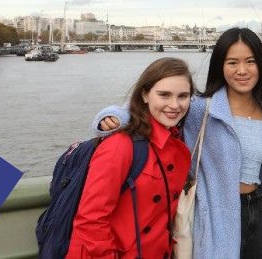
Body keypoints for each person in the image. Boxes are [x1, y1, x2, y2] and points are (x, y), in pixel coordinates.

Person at [94, 28, 262, 259]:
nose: (242, 70)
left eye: (250, 61)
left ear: (261, 64)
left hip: (259, 210)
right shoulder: (201, 108)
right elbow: (152, 108)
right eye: (232, 62)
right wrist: (113, 117)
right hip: (214, 216)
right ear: (220, 66)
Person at [67, 57, 193, 258]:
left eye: (183, 96)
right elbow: (90, 220)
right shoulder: (120, 145)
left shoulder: (174, 142)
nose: (174, 105)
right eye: (164, 95)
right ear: (145, 94)